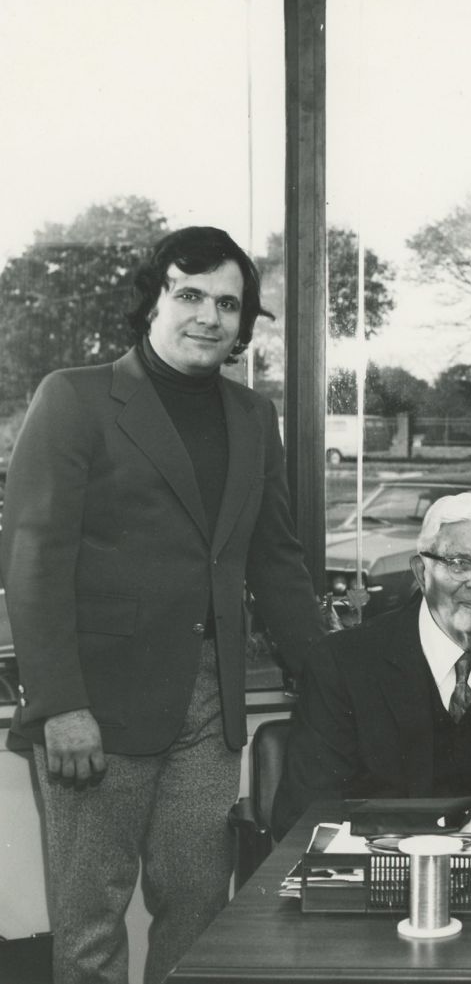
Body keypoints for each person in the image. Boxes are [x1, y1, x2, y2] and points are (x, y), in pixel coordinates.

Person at [0, 227, 326, 984]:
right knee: (90, 925)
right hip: (95, 709)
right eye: (189, 294)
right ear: (153, 300)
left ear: (244, 323)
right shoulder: (75, 397)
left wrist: (325, 672)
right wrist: (60, 704)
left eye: (228, 303)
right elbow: (34, 559)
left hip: (211, 712)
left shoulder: (255, 417)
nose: (208, 316)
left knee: (200, 908)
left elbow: (275, 561)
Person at [272, 493, 471, 839]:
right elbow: (306, 812)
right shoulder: (343, 662)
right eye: (459, 563)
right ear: (422, 572)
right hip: (383, 871)